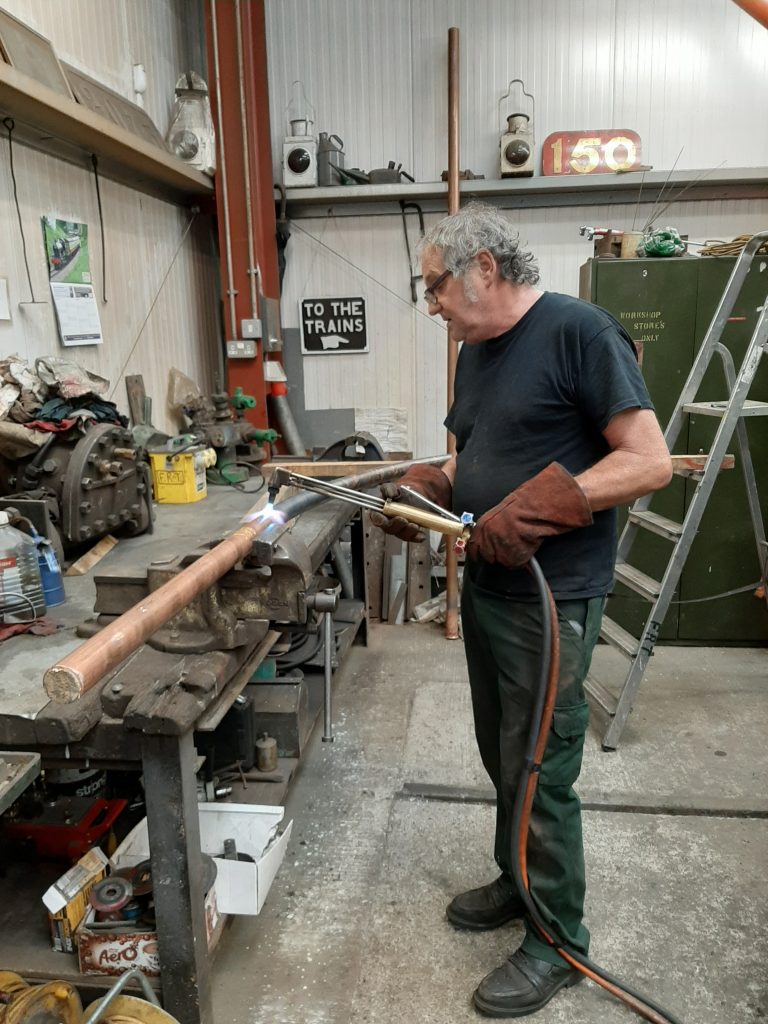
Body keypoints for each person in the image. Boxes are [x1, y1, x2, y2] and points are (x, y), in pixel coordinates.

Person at [370, 202, 672, 1018]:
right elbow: (472, 452)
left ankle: (559, 940)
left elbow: (648, 463)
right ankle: (519, 881)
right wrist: (432, 486)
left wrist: (537, 509)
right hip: (491, 590)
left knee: (543, 768)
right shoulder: (475, 353)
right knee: (503, 753)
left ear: (485, 270)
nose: (429, 303)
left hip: (553, 600)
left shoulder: (582, 333)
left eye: (433, 286)